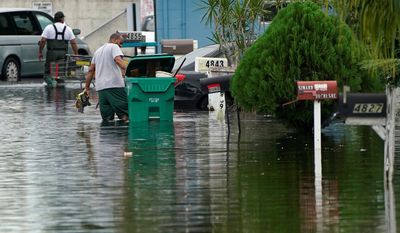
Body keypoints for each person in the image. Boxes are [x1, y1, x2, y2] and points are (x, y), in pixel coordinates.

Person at [85, 33, 129, 122]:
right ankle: (125, 135)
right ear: (115, 40)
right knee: (125, 115)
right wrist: (130, 70)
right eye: (120, 43)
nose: (120, 46)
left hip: (101, 89)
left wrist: (87, 88)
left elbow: (91, 70)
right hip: (114, 86)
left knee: (107, 119)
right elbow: (118, 60)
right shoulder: (114, 47)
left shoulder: (97, 51)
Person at [38, 11, 78, 85]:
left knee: (47, 74)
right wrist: (76, 55)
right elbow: (73, 43)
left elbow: (43, 41)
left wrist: (40, 52)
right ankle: (59, 85)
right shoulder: (68, 29)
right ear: (62, 19)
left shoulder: (49, 27)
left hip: (51, 54)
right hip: (63, 54)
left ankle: (52, 84)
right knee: (60, 73)